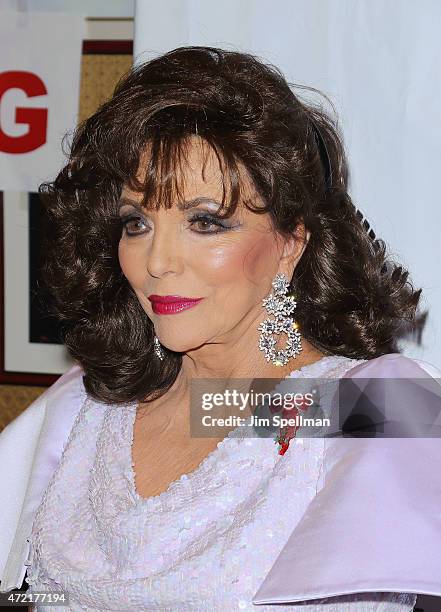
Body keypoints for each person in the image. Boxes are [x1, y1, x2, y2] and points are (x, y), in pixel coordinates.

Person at [0, 45, 440, 611]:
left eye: (205, 222)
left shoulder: (364, 407)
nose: (157, 261)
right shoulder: (83, 409)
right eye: (137, 222)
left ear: (290, 244)